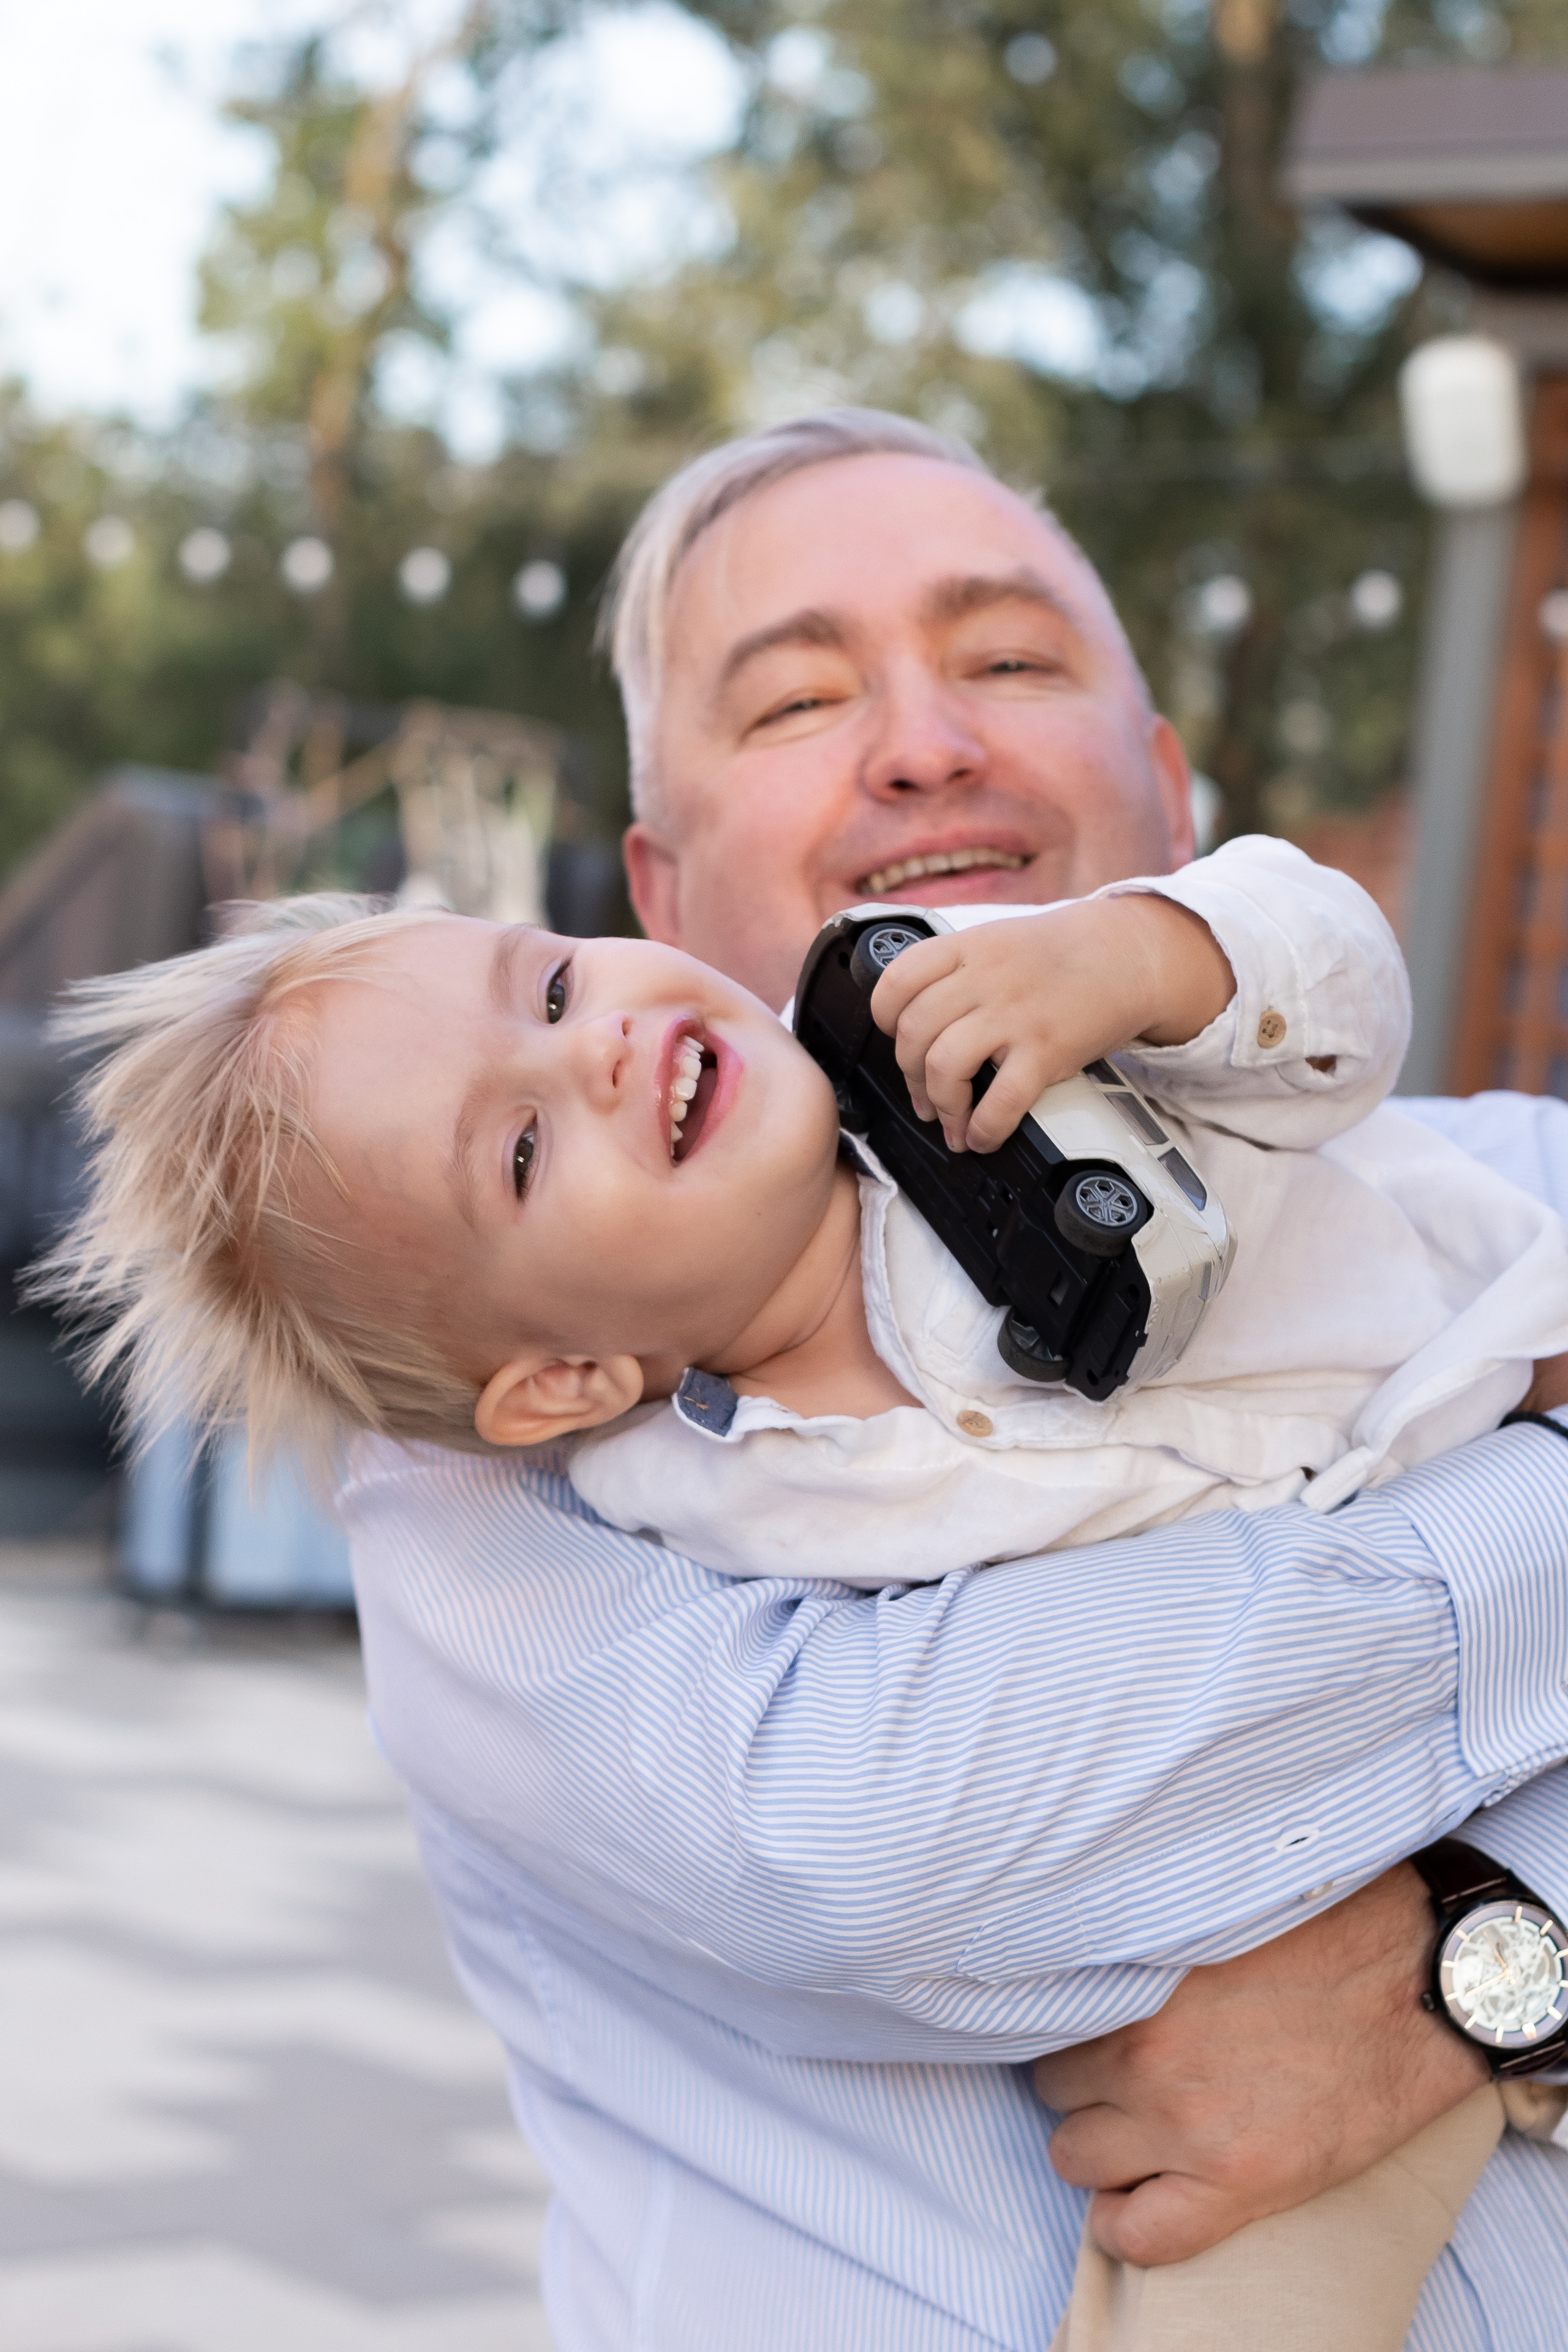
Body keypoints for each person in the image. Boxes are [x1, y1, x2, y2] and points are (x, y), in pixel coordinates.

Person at [73, 410, 1568, 2346]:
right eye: (793, 702)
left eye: (1011, 661)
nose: (927, 741)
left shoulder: (1472, 1181)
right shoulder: (527, 1468)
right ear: (666, 889)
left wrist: (1489, 1970)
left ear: (1171, 797)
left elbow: (1323, 967)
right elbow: (889, 1835)